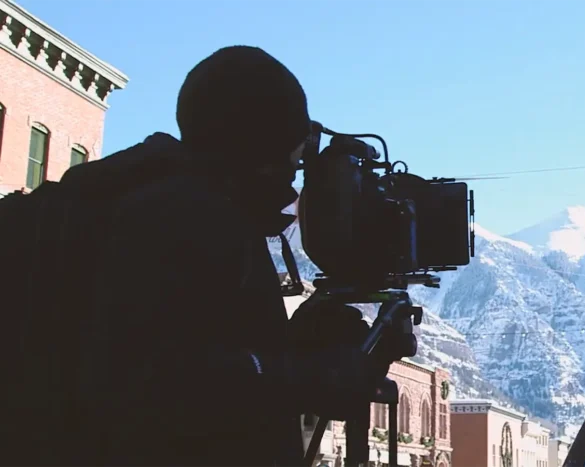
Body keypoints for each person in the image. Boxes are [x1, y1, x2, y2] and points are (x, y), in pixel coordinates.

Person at [57, 46, 387, 466]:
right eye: (294, 150)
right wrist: (310, 378)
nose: (298, 168)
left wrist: (292, 344)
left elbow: (199, 342)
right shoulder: (184, 216)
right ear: (262, 143)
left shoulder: (170, 205)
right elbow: (161, 382)